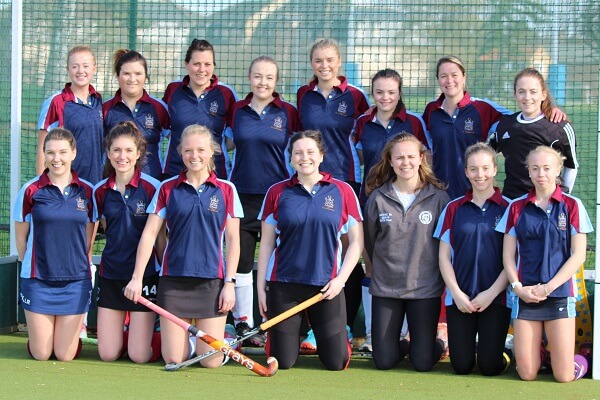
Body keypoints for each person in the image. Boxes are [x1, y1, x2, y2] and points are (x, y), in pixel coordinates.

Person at [124, 124, 241, 368]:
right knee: (174, 359)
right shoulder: (167, 189)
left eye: (200, 150)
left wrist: (229, 284)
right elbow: (149, 235)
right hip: (174, 282)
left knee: (210, 362)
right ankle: (184, 341)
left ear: (212, 152)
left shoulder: (227, 190)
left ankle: (223, 338)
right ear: (180, 153)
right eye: (188, 150)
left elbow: (233, 241)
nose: (194, 156)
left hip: (211, 282)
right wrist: (136, 278)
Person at [257, 130, 363, 370]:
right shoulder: (277, 192)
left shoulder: (342, 191)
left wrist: (340, 281)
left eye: (310, 152)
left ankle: (337, 340)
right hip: (285, 286)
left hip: (326, 288)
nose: (305, 158)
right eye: (298, 153)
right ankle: (275, 341)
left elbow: (356, 243)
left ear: (321, 156)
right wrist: (261, 287)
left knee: (337, 362)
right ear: (291, 158)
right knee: (282, 361)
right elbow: (266, 243)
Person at [296, 37, 369, 349]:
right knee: (315, 251)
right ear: (312, 64)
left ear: (339, 62)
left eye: (329, 60)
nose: (324, 66)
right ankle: (312, 327)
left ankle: (350, 327)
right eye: (318, 61)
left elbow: (364, 136)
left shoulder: (355, 96)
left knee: (347, 252)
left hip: (344, 182)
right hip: (310, 184)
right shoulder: (303, 95)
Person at [496, 146, 591, 382]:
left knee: (564, 376)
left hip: (558, 295)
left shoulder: (572, 205)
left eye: (547, 168)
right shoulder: (516, 207)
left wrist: (548, 287)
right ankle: (542, 353)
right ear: (528, 171)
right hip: (526, 295)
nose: (541, 174)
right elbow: (508, 256)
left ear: (558, 169)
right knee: (527, 374)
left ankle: (579, 360)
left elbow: (578, 255)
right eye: (535, 168)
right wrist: (518, 287)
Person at [224, 56, 300, 343]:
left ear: (276, 81)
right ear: (249, 78)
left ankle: (275, 322)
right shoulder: (237, 111)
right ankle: (243, 323)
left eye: (269, 77)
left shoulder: (288, 113)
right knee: (241, 261)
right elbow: (227, 143)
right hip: (243, 197)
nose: (262, 82)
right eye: (257, 76)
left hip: (277, 198)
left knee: (279, 263)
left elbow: (300, 149)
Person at [353, 68, 429, 351]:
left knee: (406, 262)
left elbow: (424, 160)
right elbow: (357, 157)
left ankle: (405, 335)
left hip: (408, 205)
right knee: (372, 265)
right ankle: (374, 336)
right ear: (372, 94)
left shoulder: (414, 123)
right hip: (373, 204)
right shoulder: (361, 123)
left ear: (400, 94)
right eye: (380, 92)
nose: (386, 97)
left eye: (392, 92)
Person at [422, 55, 565, 200]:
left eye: (454, 75)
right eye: (443, 76)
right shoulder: (431, 110)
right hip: (439, 192)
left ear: (464, 77)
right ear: (438, 80)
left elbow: (522, 118)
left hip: (475, 192)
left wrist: (548, 109)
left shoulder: (482, 108)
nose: (449, 80)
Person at [364, 133, 449, 372]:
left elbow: (446, 243)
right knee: (383, 361)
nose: (405, 162)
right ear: (390, 161)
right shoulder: (378, 198)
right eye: (399, 157)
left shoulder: (439, 198)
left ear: (422, 158)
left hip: (424, 288)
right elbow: (371, 242)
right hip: (386, 287)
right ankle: (401, 345)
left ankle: (439, 343)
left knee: (422, 363)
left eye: (411, 156)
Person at [14, 128, 95, 361]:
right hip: (38, 280)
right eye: (50, 153)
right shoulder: (31, 191)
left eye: (62, 152)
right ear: (44, 154)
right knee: (41, 354)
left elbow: (88, 240)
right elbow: (21, 238)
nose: (56, 159)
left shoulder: (87, 192)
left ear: (73, 153)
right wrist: (31, 266)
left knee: (64, 355)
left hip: (75, 281)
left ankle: (71, 334)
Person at [433, 143, 511, 375]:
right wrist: (456, 293)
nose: (480, 175)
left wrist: (491, 293)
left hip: (496, 299)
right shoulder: (453, 208)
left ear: (495, 170)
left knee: (488, 367)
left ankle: (505, 353)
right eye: (474, 169)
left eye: (485, 168)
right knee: (462, 366)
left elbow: (512, 260)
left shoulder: (509, 208)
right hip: (460, 299)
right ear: (466, 171)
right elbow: (444, 256)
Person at [93, 122, 164, 363]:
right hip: (111, 274)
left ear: (139, 153)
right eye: (116, 150)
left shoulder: (154, 188)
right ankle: (122, 335)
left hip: (145, 277)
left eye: (128, 150)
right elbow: (96, 228)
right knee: (108, 354)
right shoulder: (99, 191)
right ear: (108, 152)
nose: (122, 156)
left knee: (139, 356)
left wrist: (161, 271)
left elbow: (160, 237)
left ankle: (156, 338)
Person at [489, 67, 578, 199]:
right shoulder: (505, 125)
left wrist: (563, 198)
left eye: (533, 92)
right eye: (521, 92)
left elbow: (571, 166)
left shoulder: (559, 127)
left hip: (545, 203)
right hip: (512, 202)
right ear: (515, 95)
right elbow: (486, 156)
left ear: (543, 94)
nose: (527, 97)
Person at [162, 39, 238, 179]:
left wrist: (209, 148)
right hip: (175, 172)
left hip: (216, 174)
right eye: (196, 64)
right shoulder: (173, 90)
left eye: (207, 64)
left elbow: (232, 138)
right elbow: (164, 128)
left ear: (213, 66)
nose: (202, 70)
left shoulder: (227, 94)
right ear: (186, 65)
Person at [37, 46, 104, 185]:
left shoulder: (98, 100)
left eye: (86, 66)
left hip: (95, 183)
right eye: (75, 66)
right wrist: (41, 187)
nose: (80, 71)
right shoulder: (57, 101)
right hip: (67, 185)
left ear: (94, 69)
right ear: (68, 69)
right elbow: (42, 148)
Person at [103, 49, 170, 180]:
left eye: (138, 73)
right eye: (126, 73)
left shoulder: (158, 107)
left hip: (152, 183)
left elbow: (176, 142)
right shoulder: (106, 109)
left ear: (145, 76)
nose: (132, 79)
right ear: (118, 76)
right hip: (114, 186)